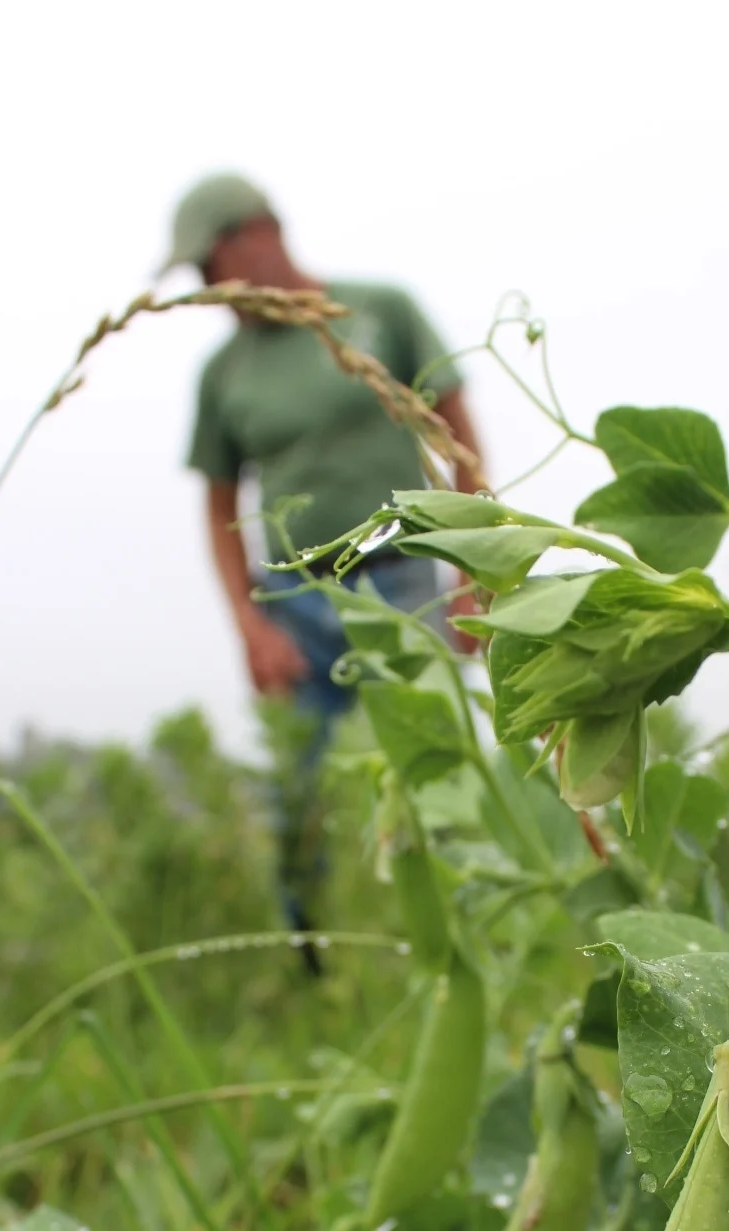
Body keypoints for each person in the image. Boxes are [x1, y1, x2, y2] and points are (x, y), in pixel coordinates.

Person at [164, 173, 485, 934]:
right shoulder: (224, 374)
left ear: (255, 233)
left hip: (404, 579)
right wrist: (251, 628)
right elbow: (218, 508)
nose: (209, 290)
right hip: (295, 602)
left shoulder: (380, 311)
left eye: (209, 268)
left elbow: (459, 437)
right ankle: (313, 954)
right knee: (298, 793)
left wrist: (473, 573)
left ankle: (475, 936)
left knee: (438, 772)